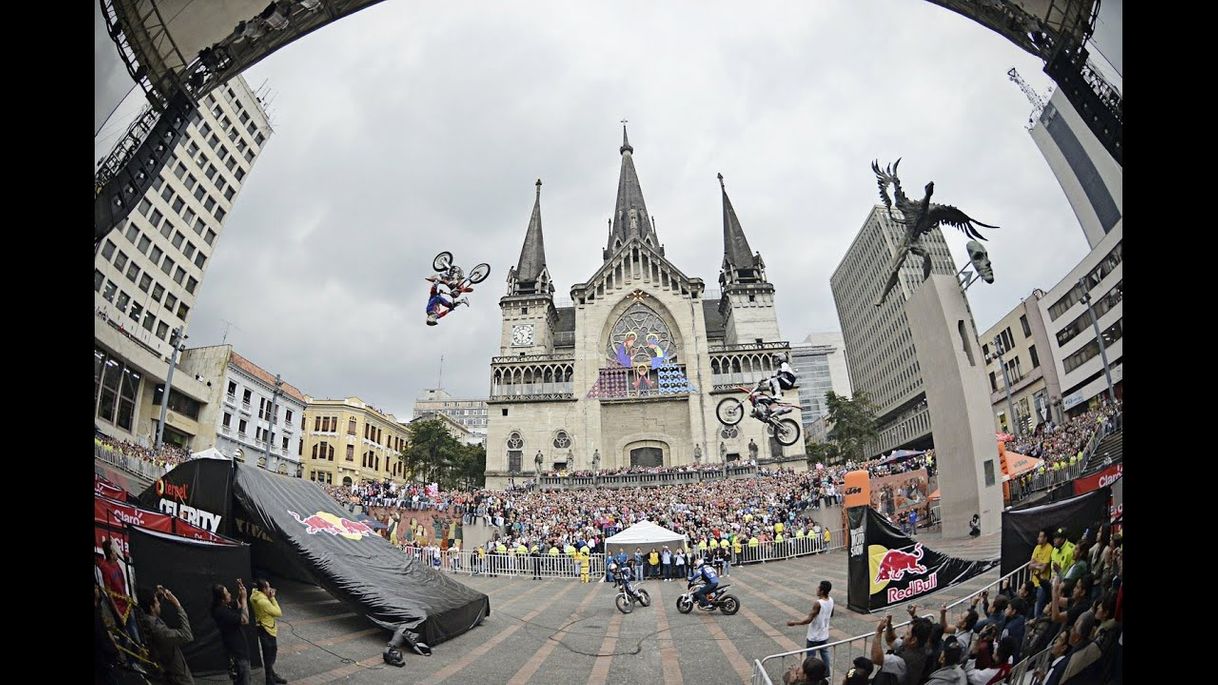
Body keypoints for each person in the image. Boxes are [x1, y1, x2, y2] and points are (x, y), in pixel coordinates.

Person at [137, 585, 194, 685]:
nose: (159, 604)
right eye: (156, 601)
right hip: (178, 677)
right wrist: (178, 606)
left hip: (167, 674)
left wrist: (159, 594)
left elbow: (154, 611)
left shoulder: (145, 620)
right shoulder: (158, 630)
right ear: (151, 607)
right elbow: (187, 635)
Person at [788, 580, 834, 679]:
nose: (816, 589)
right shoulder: (831, 600)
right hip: (824, 634)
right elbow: (831, 613)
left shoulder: (818, 603)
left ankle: (810, 677)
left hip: (813, 636)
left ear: (821, 591)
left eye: (818, 588)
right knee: (825, 654)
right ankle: (827, 674)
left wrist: (794, 623)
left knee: (810, 659)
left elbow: (808, 620)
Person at [211, 580, 251, 685]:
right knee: (243, 680)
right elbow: (245, 620)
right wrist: (244, 599)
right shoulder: (221, 612)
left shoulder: (223, 606)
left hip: (238, 649)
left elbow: (237, 604)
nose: (229, 594)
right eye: (227, 593)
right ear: (222, 600)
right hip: (237, 653)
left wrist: (241, 593)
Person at [250, 579, 288, 684]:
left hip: (262, 627)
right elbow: (278, 612)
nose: (270, 588)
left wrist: (267, 595)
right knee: (270, 655)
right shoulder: (263, 601)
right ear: (264, 589)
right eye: (268, 587)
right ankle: (269, 680)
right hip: (267, 629)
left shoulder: (254, 595)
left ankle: (272, 675)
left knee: (269, 653)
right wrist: (272, 598)